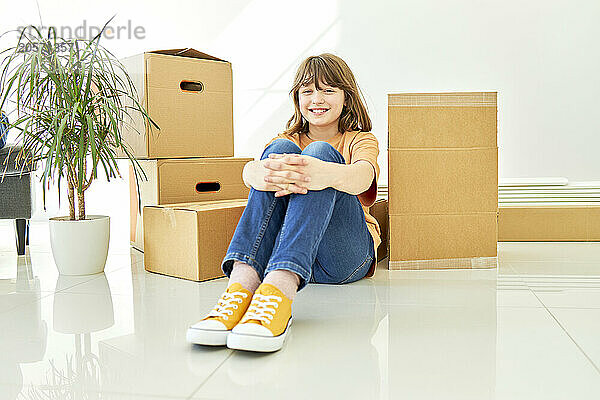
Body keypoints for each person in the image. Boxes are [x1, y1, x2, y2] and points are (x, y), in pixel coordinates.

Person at [187, 54, 381, 353]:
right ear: (297, 99)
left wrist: (322, 171)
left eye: (328, 90)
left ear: (346, 97)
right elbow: (253, 172)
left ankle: (280, 289)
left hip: (343, 258)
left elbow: (363, 179)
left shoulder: (360, 139)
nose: (317, 99)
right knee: (279, 149)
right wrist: (254, 172)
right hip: (289, 255)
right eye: (308, 91)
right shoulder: (285, 139)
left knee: (320, 152)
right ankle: (240, 287)